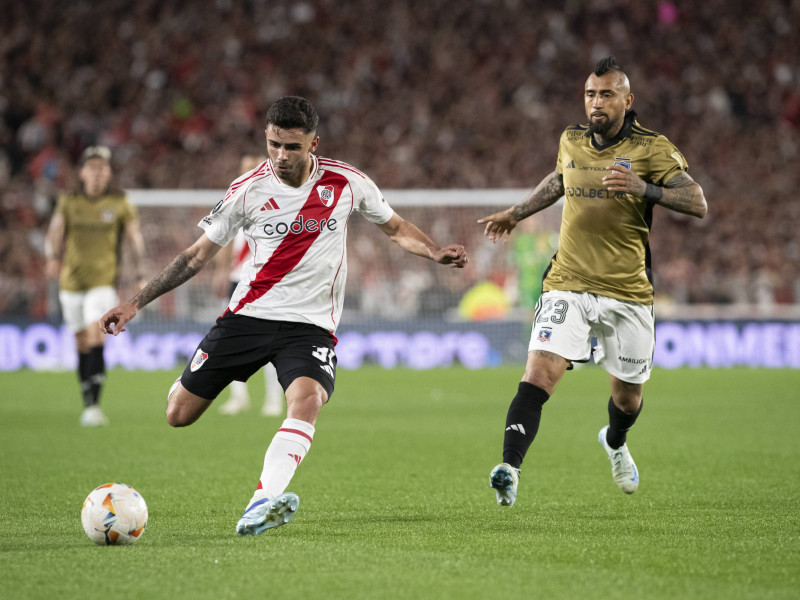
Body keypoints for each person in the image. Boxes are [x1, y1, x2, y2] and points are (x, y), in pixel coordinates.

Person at [99, 96, 469, 534]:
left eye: (292, 147)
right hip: (249, 316)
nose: (280, 155)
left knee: (308, 400)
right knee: (178, 414)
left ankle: (262, 502)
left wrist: (434, 251)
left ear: (314, 143)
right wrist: (135, 302)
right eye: (274, 144)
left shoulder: (348, 183)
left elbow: (395, 228)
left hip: (309, 327)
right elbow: (195, 257)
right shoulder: (247, 190)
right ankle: (191, 377)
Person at [478, 57, 707, 507]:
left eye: (605, 94)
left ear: (627, 99)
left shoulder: (652, 148)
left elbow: (696, 201)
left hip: (628, 292)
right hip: (568, 282)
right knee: (538, 374)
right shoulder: (571, 139)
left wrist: (644, 189)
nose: (596, 102)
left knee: (627, 400)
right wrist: (516, 212)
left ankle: (615, 442)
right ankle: (509, 468)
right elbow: (560, 180)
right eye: (589, 94)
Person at [44, 146, 147, 426]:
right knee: (80, 342)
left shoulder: (120, 201)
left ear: (109, 173)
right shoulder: (69, 200)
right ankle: (87, 399)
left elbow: (134, 237)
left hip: (103, 282)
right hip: (71, 282)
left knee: (95, 335)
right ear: (83, 173)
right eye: (93, 168)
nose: (98, 174)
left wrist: (140, 272)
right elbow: (55, 231)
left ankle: (93, 406)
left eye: (103, 169)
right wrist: (52, 256)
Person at [213, 155, 284, 417]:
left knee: (271, 341)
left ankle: (274, 400)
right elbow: (223, 240)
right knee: (231, 340)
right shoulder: (234, 201)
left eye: (252, 169)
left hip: (263, 282)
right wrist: (221, 271)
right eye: (244, 170)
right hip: (236, 280)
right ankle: (239, 396)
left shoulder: (273, 203)